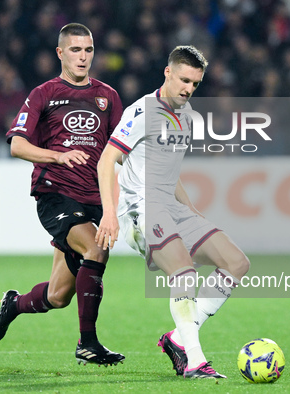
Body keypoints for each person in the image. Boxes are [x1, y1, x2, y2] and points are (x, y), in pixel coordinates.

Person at [96, 45, 250, 378]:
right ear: (168, 72)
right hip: (141, 208)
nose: (188, 89)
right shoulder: (143, 111)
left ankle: (179, 338)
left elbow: (168, 169)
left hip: (171, 207)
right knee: (184, 273)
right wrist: (109, 213)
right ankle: (195, 360)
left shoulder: (185, 116)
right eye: (183, 80)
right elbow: (108, 158)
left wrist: (192, 212)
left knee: (237, 263)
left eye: (195, 83)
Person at [0, 23, 125, 366]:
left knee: (58, 295)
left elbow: (119, 154)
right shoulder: (44, 93)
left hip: (93, 200)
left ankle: (13, 305)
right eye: (75, 50)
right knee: (96, 248)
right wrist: (57, 155)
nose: (83, 57)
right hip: (55, 194)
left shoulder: (108, 97)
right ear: (61, 53)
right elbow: (17, 145)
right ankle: (88, 344)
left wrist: (113, 207)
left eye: (89, 50)